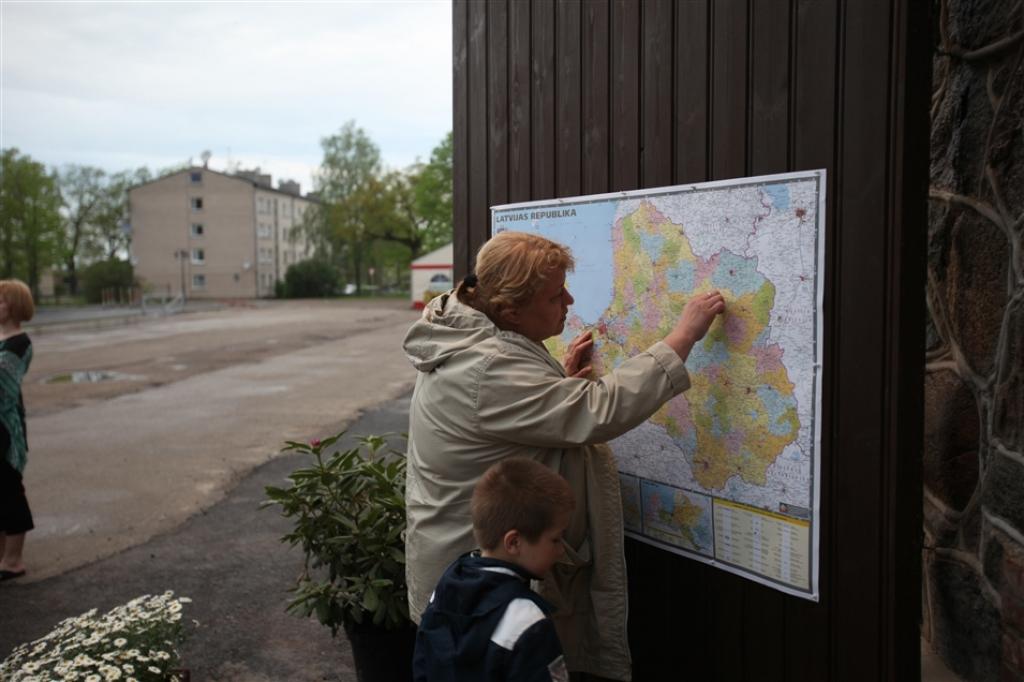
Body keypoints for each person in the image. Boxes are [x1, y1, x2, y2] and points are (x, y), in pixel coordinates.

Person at [403, 231, 725, 681]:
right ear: (510, 310)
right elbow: (599, 410)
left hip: (462, 573)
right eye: (556, 296)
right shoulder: (487, 368)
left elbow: (511, 414)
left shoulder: (464, 332)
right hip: (483, 596)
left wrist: (558, 387)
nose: (570, 300)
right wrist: (683, 337)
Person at [413, 457, 574, 682]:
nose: (560, 551)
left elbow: (423, 666)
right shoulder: (527, 619)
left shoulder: (444, 588)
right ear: (514, 542)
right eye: (555, 539)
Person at [0, 279, 35, 581]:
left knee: (10, 490)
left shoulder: (19, 343)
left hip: (5, 430)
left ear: (13, 307)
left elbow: (2, 389)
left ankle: (13, 561)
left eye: (0, 301)